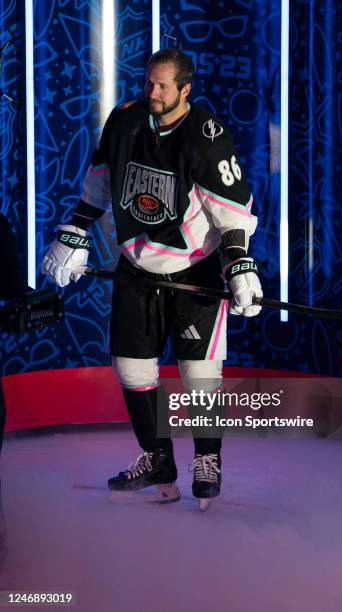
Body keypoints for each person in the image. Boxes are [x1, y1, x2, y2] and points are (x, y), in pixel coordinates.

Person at [41, 48, 263, 509]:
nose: (153, 93)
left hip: (194, 270)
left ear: (186, 88)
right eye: (149, 83)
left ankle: (207, 459)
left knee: (199, 375)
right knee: (132, 370)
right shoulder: (124, 122)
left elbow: (233, 212)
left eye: (163, 86)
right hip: (137, 268)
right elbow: (99, 182)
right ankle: (158, 458)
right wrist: (76, 229)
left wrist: (239, 263)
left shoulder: (206, 136)